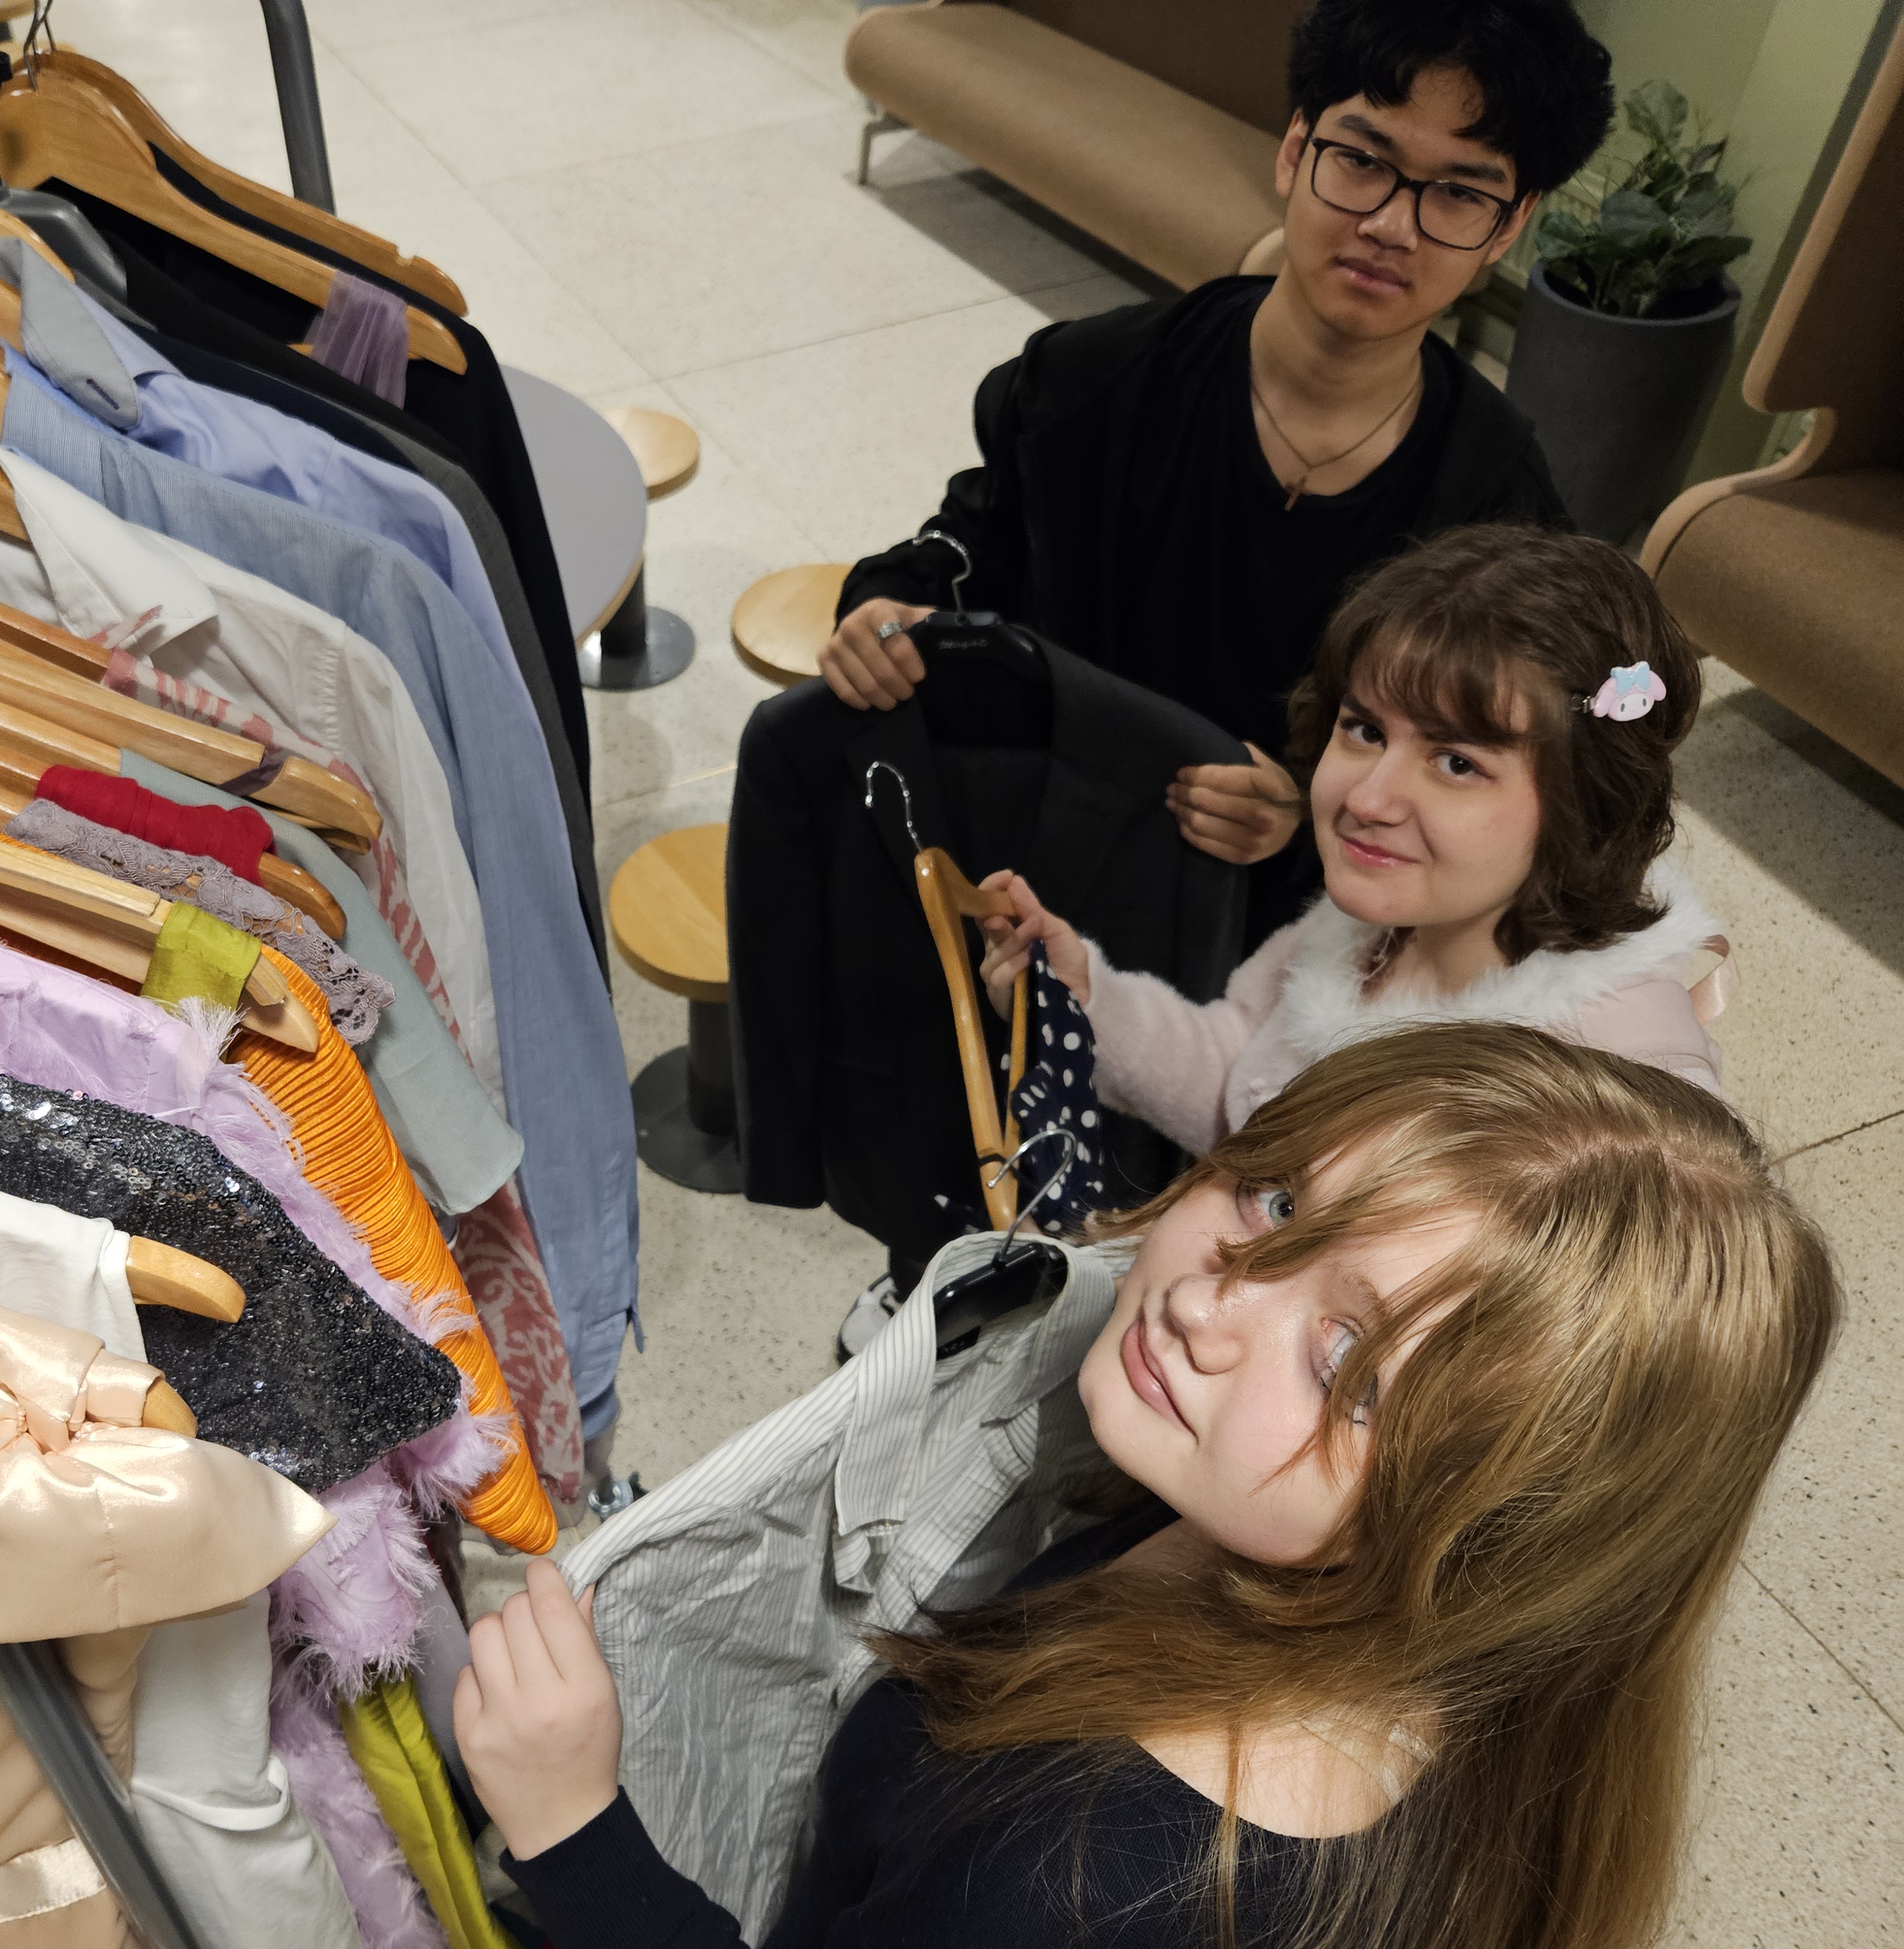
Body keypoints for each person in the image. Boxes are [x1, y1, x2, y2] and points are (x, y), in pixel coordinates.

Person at [451, 1023, 1839, 1949]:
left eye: (1347, 1360)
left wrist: (577, 1835)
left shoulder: (1073, 1880)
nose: (1210, 1302)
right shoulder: (1402, 1637)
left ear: (1501, 1529)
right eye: (1277, 1200)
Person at [815, 0, 1611, 942]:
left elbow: (1515, 778)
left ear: (1509, 227)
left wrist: (1316, 812)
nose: (1392, 225)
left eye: (1458, 195)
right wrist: (886, 605)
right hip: (1038, 878)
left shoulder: (1498, 513)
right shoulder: (1091, 381)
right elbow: (969, 546)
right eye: (1361, 161)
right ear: (1293, 151)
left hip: (1288, 942)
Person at [973, 524, 1727, 1163]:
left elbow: (1699, 1260)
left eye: (1456, 763)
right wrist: (1087, 1003)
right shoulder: (1366, 925)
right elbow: (1244, 1085)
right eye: (1365, 730)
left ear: (1586, 803)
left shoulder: (1616, 1081)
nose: (1366, 799)